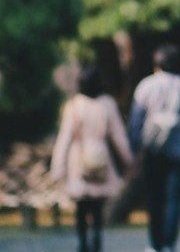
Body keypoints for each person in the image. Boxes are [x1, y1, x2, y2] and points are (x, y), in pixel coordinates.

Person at [128, 44, 180, 252]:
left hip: (152, 150)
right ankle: (169, 243)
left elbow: (136, 121)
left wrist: (134, 148)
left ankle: (154, 243)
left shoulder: (146, 86)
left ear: (157, 64)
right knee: (174, 198)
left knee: (154, 198)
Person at [52, 66, 133, 252]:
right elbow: (119, 136)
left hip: (78, 158)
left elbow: (64, 138)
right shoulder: (107, 104)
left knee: (81, 206)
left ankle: (83, 242)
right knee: (97, 207)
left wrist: (58, 167)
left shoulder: (74, 105)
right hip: (100, 155)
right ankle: (96, 238)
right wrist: (128, 159)